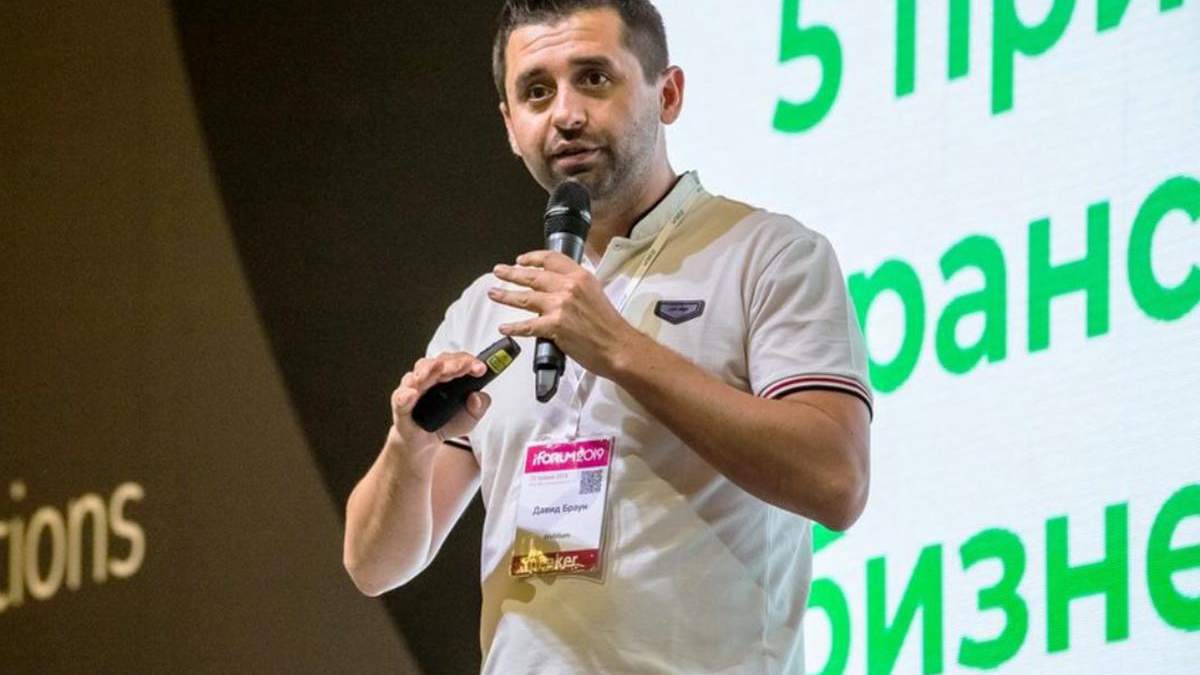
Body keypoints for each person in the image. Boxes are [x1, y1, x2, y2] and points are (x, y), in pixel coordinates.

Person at [343, 1, 872, 672]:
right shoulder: (489, 306)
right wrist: (409, 445)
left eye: (593, 78)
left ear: (668, 94)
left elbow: (836, 480)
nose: (565, 113)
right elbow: (373, 565)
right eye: (536, 91)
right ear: (510, 127)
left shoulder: (768, 255)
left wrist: (619, 349)